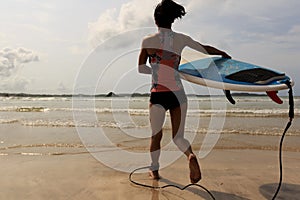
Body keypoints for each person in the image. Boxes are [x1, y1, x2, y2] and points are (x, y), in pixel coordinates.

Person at [138, 0, 231, 183]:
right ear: (172, 20)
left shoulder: (148, 41)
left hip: (158, 93)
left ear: (155, 20)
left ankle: (154, 171)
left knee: (156, 135)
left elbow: (141, 68)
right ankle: (190, 155)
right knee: (178, 137)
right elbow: (204, 49)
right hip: (178, 94)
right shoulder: (181, 39)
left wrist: (155, 70)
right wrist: (222, 53)